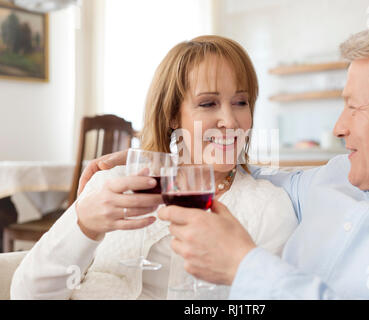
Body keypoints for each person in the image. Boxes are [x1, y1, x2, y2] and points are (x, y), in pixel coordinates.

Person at [80, 21, 369, 299]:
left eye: (354, 107)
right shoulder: (332, 179)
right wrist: (159, 160)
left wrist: (244, 267)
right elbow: (242, 177)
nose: (339, 127)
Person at [10, 35, 297, 300]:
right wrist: (83, 226)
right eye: (208, 103)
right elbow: (28, 294)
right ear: (173, 115)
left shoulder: (268, 207)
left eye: (241, 102)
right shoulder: (114, 184)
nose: (231, 121)